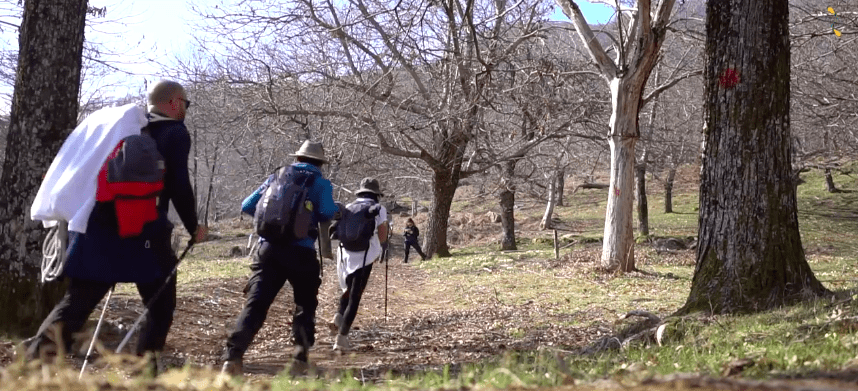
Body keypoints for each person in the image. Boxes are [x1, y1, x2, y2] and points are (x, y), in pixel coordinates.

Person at [25, 80, 207, 374]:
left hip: (97, 226)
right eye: (185, 103)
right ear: (173, 103)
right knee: (161, 305)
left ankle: (31, 367)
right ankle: (145, 374)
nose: (185, 109)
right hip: (144, 230)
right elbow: (178, 184)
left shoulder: (124, 133)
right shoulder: (174, 132)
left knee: (77, 303)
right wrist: (194, 226)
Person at [221, 140, 338, 377]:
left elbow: (247, 205)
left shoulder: (277, 176)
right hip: (301, 252)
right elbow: (327, 212)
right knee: (305, 304)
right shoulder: (320, 183)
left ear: (298, 158)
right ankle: (300, 359)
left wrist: (273, 223)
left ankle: (232, 358)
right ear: (320, 163)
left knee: (256, 304)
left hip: (269, 250)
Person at [330, 178, 389, 352]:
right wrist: (383, 245)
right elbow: (382, 232)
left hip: (345, 254)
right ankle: (342, 339)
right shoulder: (378, 209)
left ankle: (339, 315)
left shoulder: (348, 207)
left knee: (348, 290)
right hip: (365, 255)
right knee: (356, 296)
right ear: (376, 195)